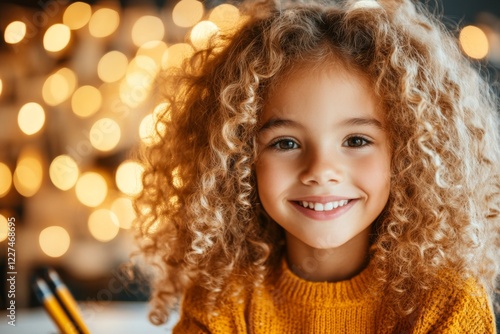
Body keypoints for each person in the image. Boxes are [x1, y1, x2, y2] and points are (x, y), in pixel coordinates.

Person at [134, 0, 500, 332]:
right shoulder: (222, 299)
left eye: (356, 141)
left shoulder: (447, 304)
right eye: (286, 143)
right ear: (238, 160)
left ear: (405, 156)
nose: (321, 170)